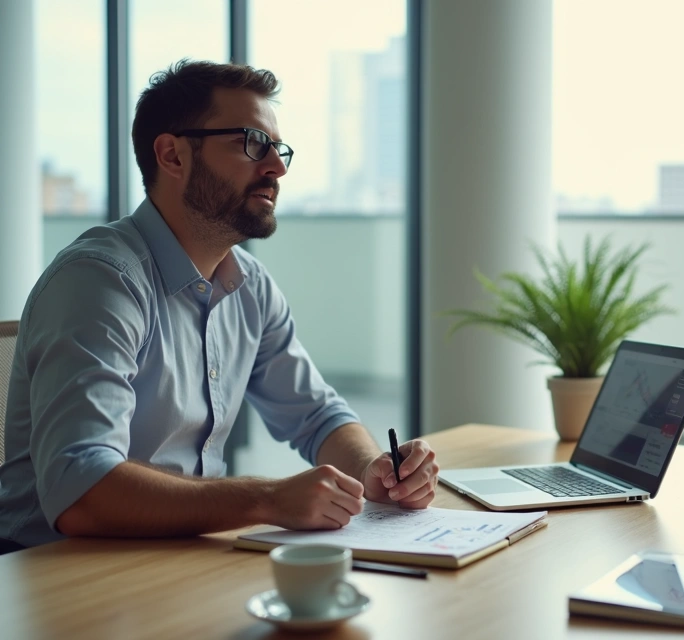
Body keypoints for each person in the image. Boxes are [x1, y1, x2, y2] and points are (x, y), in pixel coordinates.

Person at [0, 60, 438, 553]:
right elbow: (82, 490)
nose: (277, 166)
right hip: (49, 572)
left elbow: (317, 415)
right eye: (251, 142)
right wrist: (266, 497)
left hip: (179, 556)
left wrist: (372, 469)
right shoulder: (98, 282)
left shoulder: (250, 286)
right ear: (171, 155)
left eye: (279, 148)